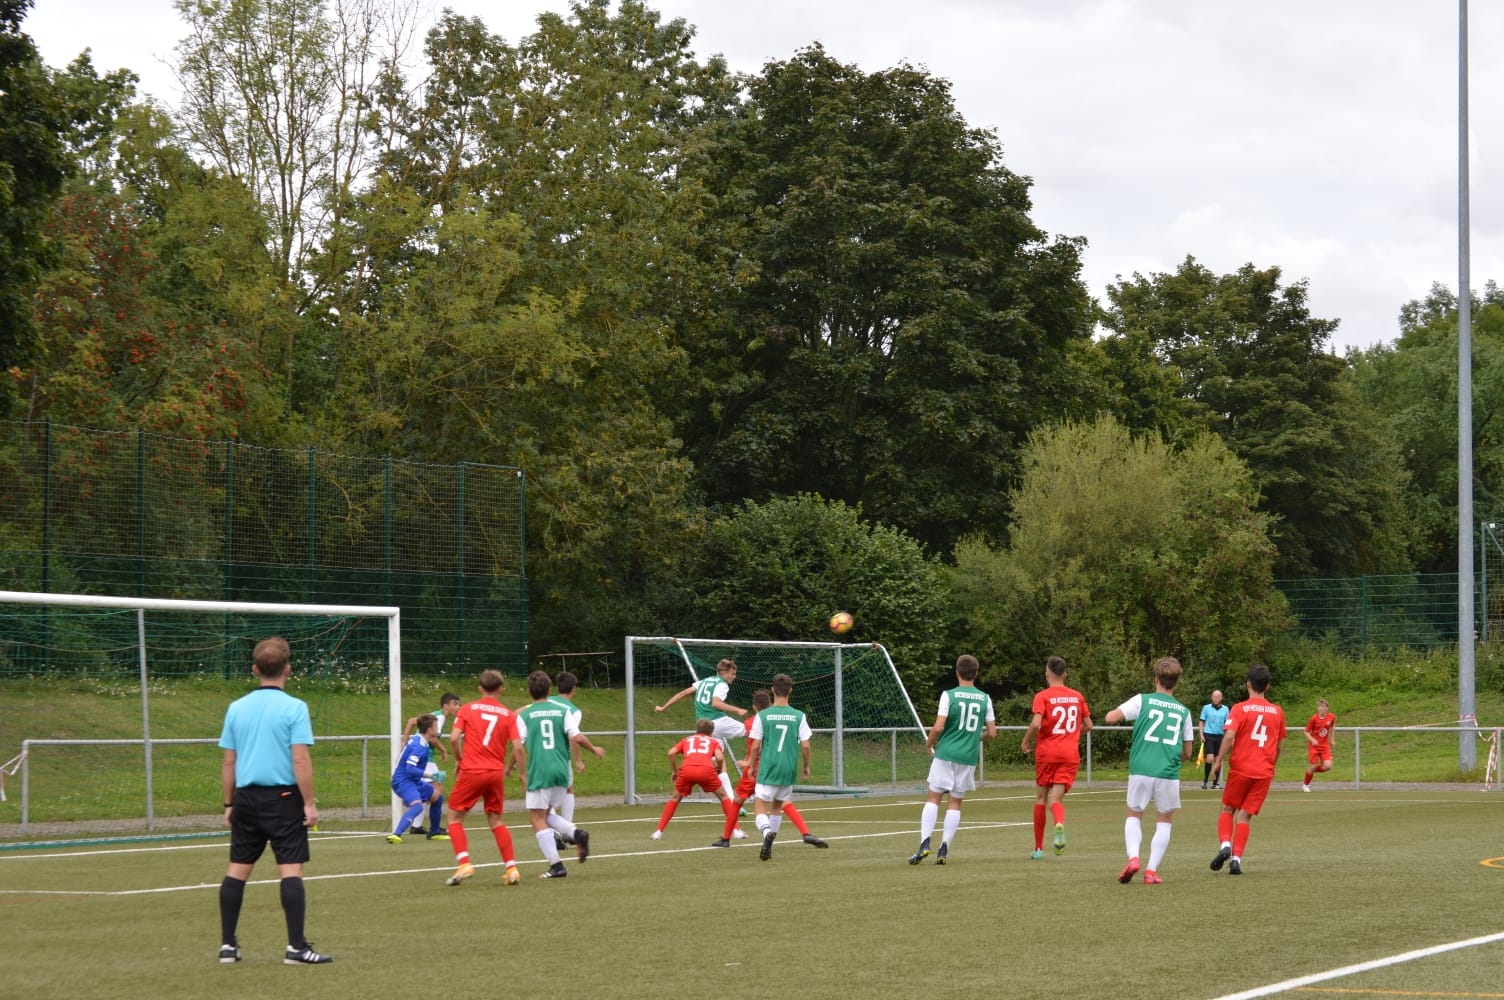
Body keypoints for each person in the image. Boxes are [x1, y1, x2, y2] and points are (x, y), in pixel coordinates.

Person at [216, 636, 332, 966]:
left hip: (246, 799)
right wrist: (308, 803)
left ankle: (228, 946)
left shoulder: (236, 708)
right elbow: (300, 759)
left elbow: (229, 762)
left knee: (237, 870)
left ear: (255, 669)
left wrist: (229, 804)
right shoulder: (295, 707)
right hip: (283, 798)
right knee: (290, 871)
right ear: (288, 669)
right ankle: (296, 948)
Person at [1104, 656, 1194, 885]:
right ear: (1176, 682)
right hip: (1168, 772)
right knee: (1165, 819)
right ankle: (1151, 871)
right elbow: (1188, 752)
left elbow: (1110, 718)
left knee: (1134, 813)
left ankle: (1134, 858)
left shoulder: (1142, 700)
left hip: (1141, 768)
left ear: (1156, 679)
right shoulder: (1184, 712)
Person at [515, 670, 607, 878]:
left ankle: (556, 865)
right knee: (546, 814)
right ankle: (576, 833)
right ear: (549, 690)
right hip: (561, 770)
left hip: (540, 770)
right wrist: (593, 750)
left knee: (537, 818)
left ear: (529, 692)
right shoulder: (563, 711)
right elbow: (577, 737)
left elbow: (518, 746)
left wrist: (518, 771)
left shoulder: (525, 714)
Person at [906, 654, 996, 866]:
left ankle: (925, 843)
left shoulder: (949, 695)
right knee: (955, 801)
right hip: (968, 757)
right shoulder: (985, 698)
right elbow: (992, 733)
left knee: (933, 797)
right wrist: (976, 738)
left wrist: (928, 744)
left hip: (946, 753)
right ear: (976, 673)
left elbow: (938, 727)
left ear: (957, 673)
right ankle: (944, 848)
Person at [442, 670, 523, 887]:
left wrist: (459, 760)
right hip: (495, 772)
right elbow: (517, 747)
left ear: (480, 688)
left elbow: (453, 738)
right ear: (501, 689)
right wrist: (522, 774)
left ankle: (464, 863)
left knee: (454, 818)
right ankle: (512, 869)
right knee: (496, 821)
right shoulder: (508, 714)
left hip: (473, 770)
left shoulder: (467, 709)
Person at [1208, 663, 1287, 876]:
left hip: (1241, 768)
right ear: (1267, 686)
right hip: (1264, 772)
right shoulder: (1278, 712)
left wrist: (1218, 761)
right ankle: (1236, 860)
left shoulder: (1240, 708)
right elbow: (1279, 746)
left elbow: (1230, 736)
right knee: (1244, 817)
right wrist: (1271, 765)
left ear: (1248, 684)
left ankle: (1225, 845)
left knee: (1227, 809)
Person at [743, 673, 827, 861]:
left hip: (769, 767)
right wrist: (806, 766)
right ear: (790, 690)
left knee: (759, 805)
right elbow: (806, 745)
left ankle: (767, 834)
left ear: (772, 690)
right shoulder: (799, 716)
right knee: (777, 806)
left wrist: (751, 765)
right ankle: (770, 844)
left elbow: (755, 745)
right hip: (788, 769)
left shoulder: (763, 715)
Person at [1020, 655, 1092, 858]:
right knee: (1056, 799)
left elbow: (1036, 723)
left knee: (1041, 798)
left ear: (1047, 674)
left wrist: (1025, 741)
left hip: (1047, 753)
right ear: (1065, 674)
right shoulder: (1077, 697)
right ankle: (1059, 823)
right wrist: (1071, 733)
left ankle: (1038, 849)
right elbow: (1089, 725)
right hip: (1069, 754)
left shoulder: (1042, 696)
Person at [654, 658, 748, 800]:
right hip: (718, 721)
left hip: (706, 727)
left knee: (719, 761)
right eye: (732, 673)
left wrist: (663, 708)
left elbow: (683, 693)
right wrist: (738, 710)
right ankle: (754, 763)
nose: (734, 677)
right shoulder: (722, 684)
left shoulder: (704, 681)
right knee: (754, 732)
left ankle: (729, 799)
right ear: (723, 673)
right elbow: (716, 703)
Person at [652, 719, 741, 839]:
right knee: (724, 796)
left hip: (687, 770)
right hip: (706, 770)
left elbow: (671, 753)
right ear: (711, 732)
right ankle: (736, 830)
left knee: (675, 798)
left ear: (697, 730)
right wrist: (719, 769)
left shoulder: (687, 739)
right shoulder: (713, 741)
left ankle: (658, 832)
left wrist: (675, 771)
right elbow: (719, 758)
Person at [386, 714, 448, 843]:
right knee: (417, 806)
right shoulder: (419, 746)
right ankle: (396, 834)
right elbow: (410, 768)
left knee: (437, 798)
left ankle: (434, 832)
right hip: (403, 781)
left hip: (413, 780)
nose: (438, 728)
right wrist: (432, 775)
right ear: (429, 729)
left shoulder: (422, 741)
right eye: (435, 726)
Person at [401, 692, 461, 761]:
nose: (458, 707)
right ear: (445, 705)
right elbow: (431, 738)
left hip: (418, 752)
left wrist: (404, 742)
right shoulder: (440, 717)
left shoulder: (434, 714)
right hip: (424, 754)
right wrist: (443, 750)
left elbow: (411, 721)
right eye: (455, 704)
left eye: (458, 704)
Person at [1303, 698, 1337, 791]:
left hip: (1324, 746)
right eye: (1319, 707)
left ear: (1327, 708)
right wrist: (1312, 739)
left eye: (1322, 707)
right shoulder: (1314, 718)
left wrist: (1332, 739)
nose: (1320, 708)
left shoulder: (1331, 717)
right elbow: (1306, 731)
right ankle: (1306, 785)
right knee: (1313, 765)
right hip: (1314, 746)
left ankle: (1311, 771)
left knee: (1328, 766)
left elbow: (1332, 727)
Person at [1199, 690, 1229, 789]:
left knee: (1218, 760)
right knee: (1210, 758)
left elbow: (1227, 724)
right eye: (1214, 696)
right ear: (1212, 697)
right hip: (1209, 735)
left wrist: (1229, 736)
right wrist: (1201, 735)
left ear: (1221, 698)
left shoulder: (1225, 709)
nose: (1216, 698)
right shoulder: (1206, 708)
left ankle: (1215, 783)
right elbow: (1201, 722)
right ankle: (1205, 781)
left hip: (1219, 736)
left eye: (1218, 696)